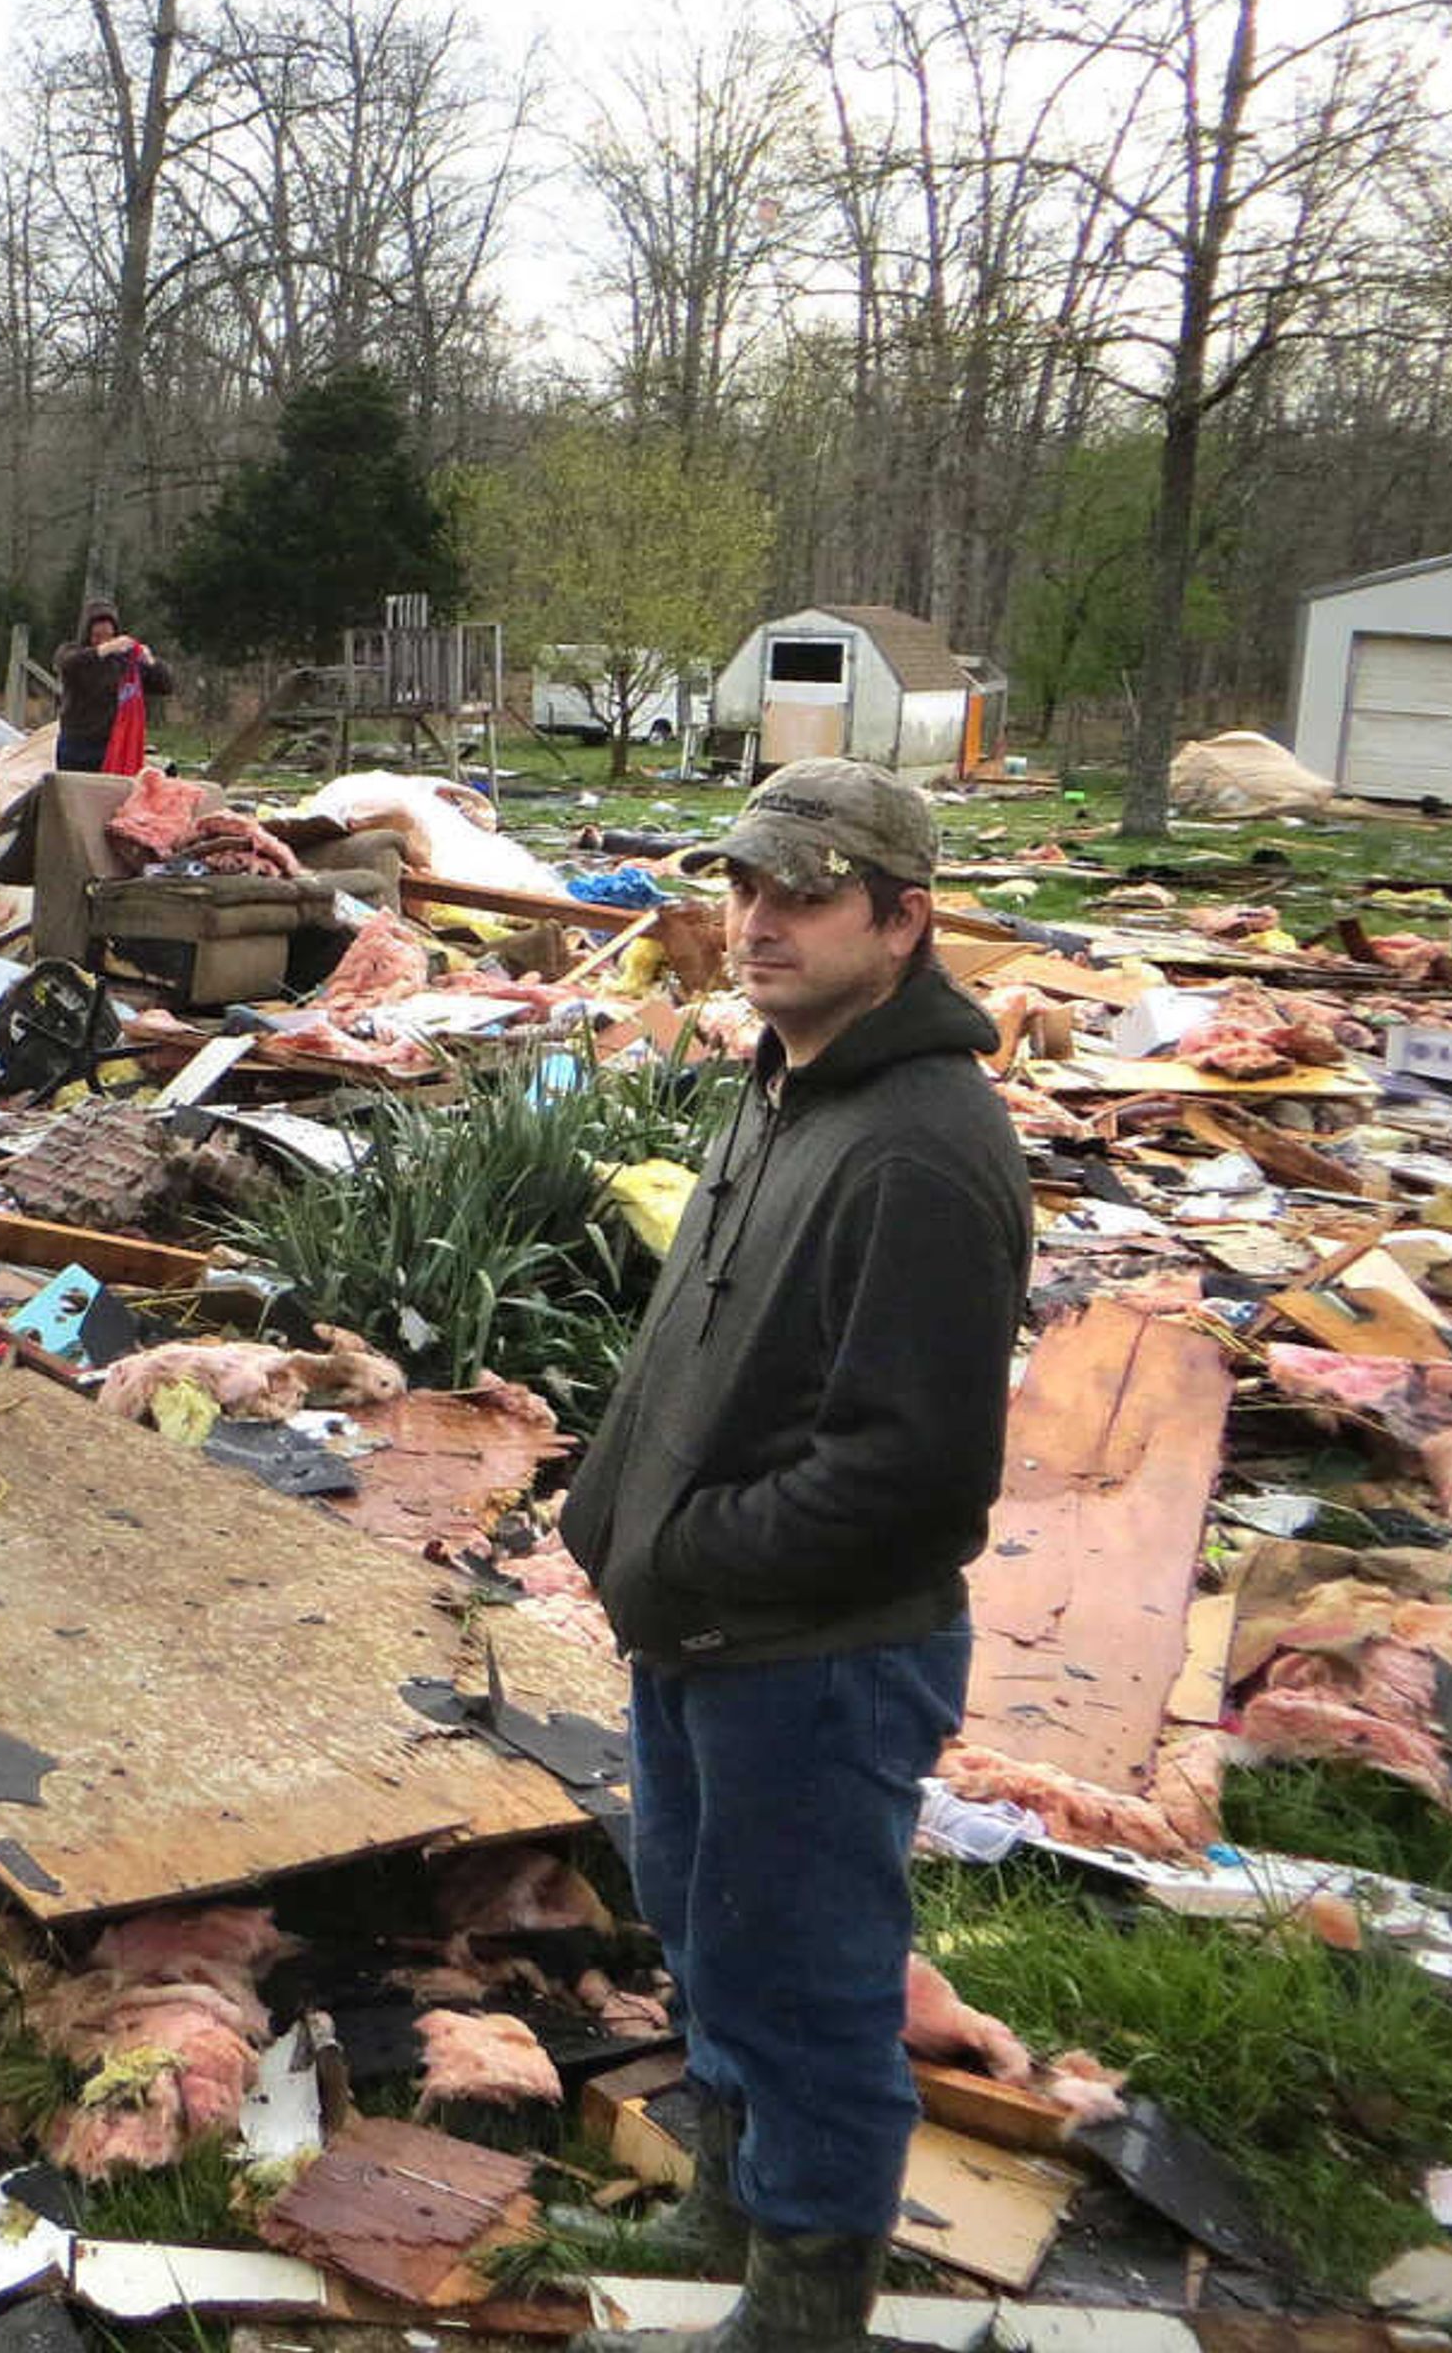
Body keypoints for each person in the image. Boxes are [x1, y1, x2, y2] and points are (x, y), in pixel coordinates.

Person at [562, 759, 1030, 2353]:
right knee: (700, 1925)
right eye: (748, 887)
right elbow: (706, 1348)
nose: (757, 922)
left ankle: (810, 2298)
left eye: (806, 895)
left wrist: (686, 1556)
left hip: (817, 1654)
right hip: (702, 1627)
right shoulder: (787, 1083)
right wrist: (606, 1505)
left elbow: (913, 1478)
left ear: (904, 921)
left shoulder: (918, 1148)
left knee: (812, 1982)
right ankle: (727, 2197)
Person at [53, 599, 168, 773]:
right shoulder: (71, 652)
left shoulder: (122, 663)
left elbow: (165, 685)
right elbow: (68, 664)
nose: (103, 641)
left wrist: (151, 663)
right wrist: (104, 649)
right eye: (97, 636)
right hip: (76, 745)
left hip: (112, 746)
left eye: (108, 636)